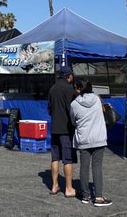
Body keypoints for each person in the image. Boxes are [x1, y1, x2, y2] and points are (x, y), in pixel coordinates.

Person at [70, 78, 112, 207]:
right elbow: (103, 112)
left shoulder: (74, 104)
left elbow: (73, 121)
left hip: (83, 138)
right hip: (99, 137)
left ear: (77, 88)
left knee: (84, 167)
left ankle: (85, 196)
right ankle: (98, 197)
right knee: (97, 166)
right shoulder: (97, 98)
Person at [48, 65, 77, 198]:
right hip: (65, 129)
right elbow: (71, 109)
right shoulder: (69, 88)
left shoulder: (52, 88)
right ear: (69, 76)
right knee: (67, 159)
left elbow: (49, 109)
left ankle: (54, 185)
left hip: (54, 128)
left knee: (55, 158)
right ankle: (69, 188)